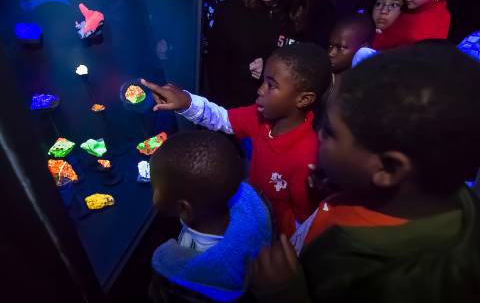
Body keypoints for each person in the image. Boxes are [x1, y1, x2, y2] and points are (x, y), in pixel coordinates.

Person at [249, 41, 480, 302]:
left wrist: (286, 294)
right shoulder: (424, 186)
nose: (318, 136)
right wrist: (341, 186)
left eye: (331, 133)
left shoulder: (402, 283)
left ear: (388, 168)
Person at [142, 43, 332, 236]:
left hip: (272, 234)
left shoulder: (307, 156)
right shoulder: (261, 117)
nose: (260, 90)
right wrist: (186, 102)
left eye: (271, 85)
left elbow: (303, 222)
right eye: (263, 81)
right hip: (251, 212)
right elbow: (222, 118)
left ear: (303, 99)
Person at [149, 130, 272, 302]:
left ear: (184, 208)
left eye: (155, 188)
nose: (153, 194)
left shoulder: (191, 273)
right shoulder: (252, 213)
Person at [204, 0, 317, 108]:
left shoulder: (310, 16)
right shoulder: (233, 8)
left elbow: (310, 78)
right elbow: (215, 75)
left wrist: (271, 72)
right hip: (234, 116)